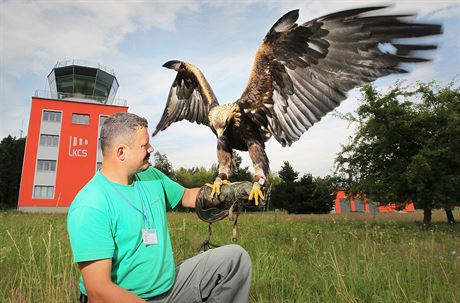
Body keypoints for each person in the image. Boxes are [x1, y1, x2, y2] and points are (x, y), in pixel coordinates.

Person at [67, 112, 252, 303]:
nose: (151, 148)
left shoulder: (150, 176)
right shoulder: (91, 205)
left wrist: (230, 193)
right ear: (121, 152)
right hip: (125, 298)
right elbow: (99, 292)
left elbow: (188, 196)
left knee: (234, 259)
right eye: (144, 145)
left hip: (169, 287)